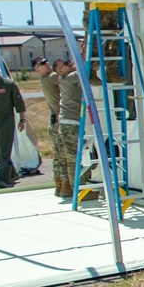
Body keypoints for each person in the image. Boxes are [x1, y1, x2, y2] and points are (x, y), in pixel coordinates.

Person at [55, 58, 99, 202]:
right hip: (71, 123)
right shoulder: (69, 78)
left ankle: (69, 187)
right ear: (61, 70)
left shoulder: (65, 79)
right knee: (75, 157)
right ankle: (78, 189)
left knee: (69, 156)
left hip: (67, 122)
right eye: (66, 64)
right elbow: (84, 71)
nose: (70, 64)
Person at [33, 57, 72, 198]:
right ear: (37, 70)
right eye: (42, 64)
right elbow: (66, 74)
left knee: (59, 156)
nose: (46, 63)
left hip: (55, 121)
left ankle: (60, 185)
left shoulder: (46, 79)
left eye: (46, 61)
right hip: (60, 121)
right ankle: (67, 186)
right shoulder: (50, 78)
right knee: (66, 156)